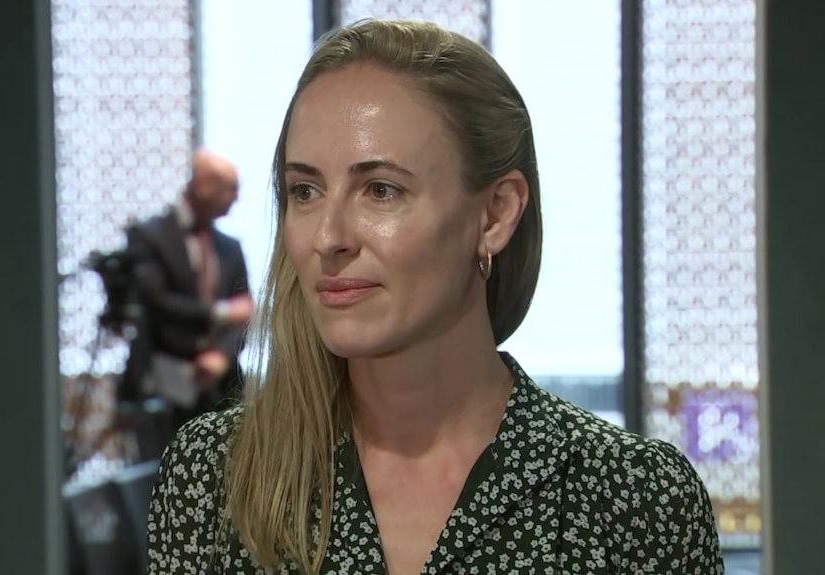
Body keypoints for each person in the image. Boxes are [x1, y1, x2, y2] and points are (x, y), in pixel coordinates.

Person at [147, 20, 724, 575]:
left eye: (381, 190)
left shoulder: (635, 501)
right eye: (305, 190)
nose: (328, 238)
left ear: (495, 213)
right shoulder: (214, 478)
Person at [121, 149, 255, 433]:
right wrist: (220, 313)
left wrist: (220, 356)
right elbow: (156, 304)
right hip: (163, 386)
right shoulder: (148, 236)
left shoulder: (230, 247)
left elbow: (245, 313)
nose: (237, 198)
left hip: (224, 385)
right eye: (230, 189)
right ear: (203, 185)